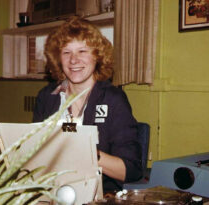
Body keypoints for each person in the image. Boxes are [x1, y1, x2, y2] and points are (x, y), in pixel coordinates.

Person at [33, 16, 142, 192]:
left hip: (97, 195)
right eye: (66, 52)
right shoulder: (47, 97)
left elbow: (131, 170)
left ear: (97, 56)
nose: (73, 60)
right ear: (58, 59)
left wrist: (88, 151)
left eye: (82, 51)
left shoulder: (114, 100)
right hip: (51, 192)